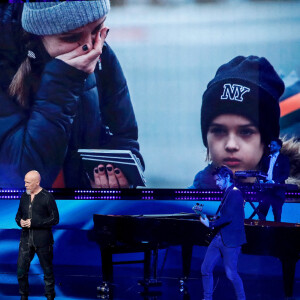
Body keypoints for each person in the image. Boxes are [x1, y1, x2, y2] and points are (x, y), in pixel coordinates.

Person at [0, 1, 144, 189]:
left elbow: (124, 138)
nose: (90, 47)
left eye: (97, 29)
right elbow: (22, 180)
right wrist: (64, 80)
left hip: (77, 211)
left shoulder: (102, 54)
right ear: (36, 35)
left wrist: (120, 177)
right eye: (70, 37)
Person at [189, 55, 285, 189]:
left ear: (268, 142)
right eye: (218, 131)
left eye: (246, 132)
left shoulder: (293, 205)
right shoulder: (186, 205)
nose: (231, 145)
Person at [199, 166, 246, 300]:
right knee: (205, 269)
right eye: (215, 181)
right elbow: (225, 215)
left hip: (231, 240)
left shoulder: (235, 192)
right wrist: (213, 219)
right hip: (220, 237)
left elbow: (229, 217)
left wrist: (211, 224)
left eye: (219, 180)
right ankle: (207, 298)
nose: (217, 183)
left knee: (231, 274)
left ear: (227, 178)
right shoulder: (227, 192)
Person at [15, 170, 59, 300]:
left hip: (43, 240)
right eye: (25, 181)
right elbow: (18, 216)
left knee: (47, 271)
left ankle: (50, 296)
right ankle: (23, 296)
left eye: (28, 182)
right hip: (26, 239)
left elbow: (55, 219)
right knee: (21, 271)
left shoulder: (47, 197)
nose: (25, 184)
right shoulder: (24, 196)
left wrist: (34, 222)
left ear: (37, 182)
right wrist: (20, 222)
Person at [256, 138, 290, 222]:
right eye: (270, 145)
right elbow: (263, 172)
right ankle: (261, 232)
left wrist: (274, 181)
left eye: (273, 145)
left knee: (277, 214)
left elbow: (285, 174)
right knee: (262, 213)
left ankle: (277, 233)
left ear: (279, 147)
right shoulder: (266, 158)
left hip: (277, 191)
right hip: (266, 190)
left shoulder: (284, 159)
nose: (270, 146)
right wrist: (261, 180)